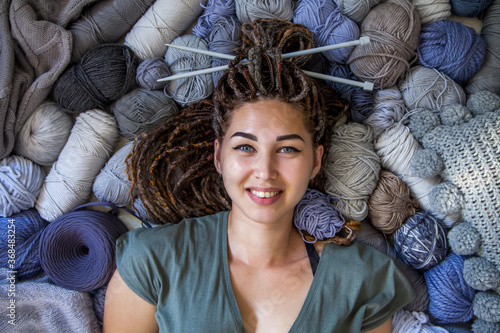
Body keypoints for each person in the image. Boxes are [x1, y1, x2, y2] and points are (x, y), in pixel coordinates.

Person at [103, 19, 415, 332]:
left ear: (316, 162)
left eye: (288, 149)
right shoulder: (153, 262)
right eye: (245, 147)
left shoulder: (360, 279)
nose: (265, 171)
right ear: (218, 157)